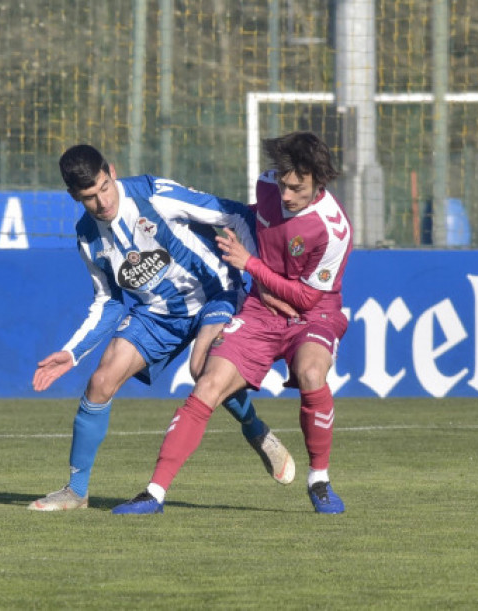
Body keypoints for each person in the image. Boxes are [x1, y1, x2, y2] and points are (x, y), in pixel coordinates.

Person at [27, 143, 297, 512]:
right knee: (100, 381)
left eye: (105, 187)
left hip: (215, 292)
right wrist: (73, 352)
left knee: (202, 366)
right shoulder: (88, 238)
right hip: (157, 314)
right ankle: (76, 491)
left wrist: (261, 278)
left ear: (113, 171)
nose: (103, 202)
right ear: (74, 196)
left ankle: (255, 429)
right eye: (90, 197)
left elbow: (232, 214)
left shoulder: (154, 194)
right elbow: (108, 301)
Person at [111, 131, 352, 515]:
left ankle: (319, 481)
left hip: (313, 314)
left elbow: (307, 298)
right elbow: (249, 220)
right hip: (260, 309)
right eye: (283, 183)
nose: (286, 195)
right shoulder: (268, 184)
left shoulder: (333, 228)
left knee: (310, 373)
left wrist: (252, 266)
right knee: (207, 381)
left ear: (318, 182)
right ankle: (153, 494)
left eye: (297, 188)